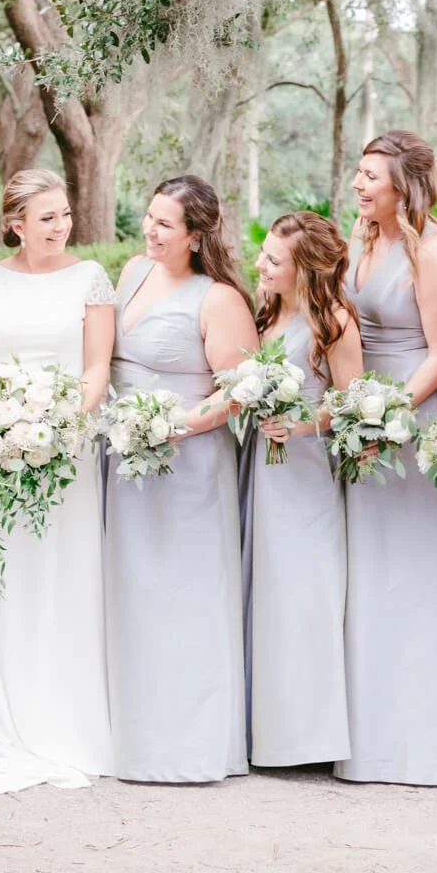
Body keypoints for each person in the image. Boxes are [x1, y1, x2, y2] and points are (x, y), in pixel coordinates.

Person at [0, 168, 115, 793]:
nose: (60, 227)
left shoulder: (90, 278)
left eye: (65, 215)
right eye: (46, 218)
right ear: (15, 224)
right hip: (0, 446)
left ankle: (65, 721)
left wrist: (60, 426)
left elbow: (96, 367)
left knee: (65, 573)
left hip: (68, 449)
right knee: (5, 572)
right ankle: (4, 715)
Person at [104, 175, 256, 783]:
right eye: (149, 216)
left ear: (196, 235)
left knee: (185, 597)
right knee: (133, 595)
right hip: (124, 462)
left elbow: (239, 391)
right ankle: (133, 739)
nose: (150, 229)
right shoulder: (132, 272)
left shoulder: (217, 298)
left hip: (188, 468)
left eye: (165, 224)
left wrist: (173, 428)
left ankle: (191, 745)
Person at [336, 130, 437, 785]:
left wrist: (391, 417)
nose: (358, 183)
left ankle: (416, 742)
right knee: (367, 571)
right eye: (359, 172)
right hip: (361, 421)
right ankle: (366, 737)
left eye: (370, 176)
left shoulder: (429, 252)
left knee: (409, 572)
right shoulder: (363, 238)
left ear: (403, 187)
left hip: (409, 419)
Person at [247, 212, 362, 767]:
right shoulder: (266, 308)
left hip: (307, 474)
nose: (260, 264)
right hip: (261, 470)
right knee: (264, 590)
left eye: (273, 260)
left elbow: (349, 402)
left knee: (303, 593)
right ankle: (264, 730)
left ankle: (308, 739)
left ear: (307, 269)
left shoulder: (334, 322)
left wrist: (297, 424)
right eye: (263, 254)